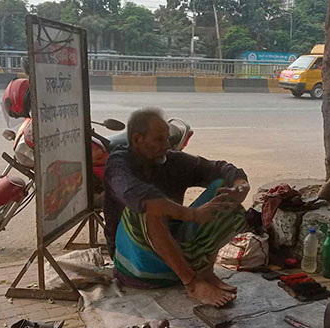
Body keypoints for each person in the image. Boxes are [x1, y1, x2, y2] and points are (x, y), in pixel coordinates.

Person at [103, 108, 249, 307]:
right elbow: (138, 196)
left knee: (224, 187)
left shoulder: (172, 161)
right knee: (149, 207)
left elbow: (218, 168)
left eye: (167, 138)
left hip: (172, 258)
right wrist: (192, 215)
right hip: (137, 268)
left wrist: (240, 186)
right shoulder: (118, 163)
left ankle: (205, 271)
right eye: (159, 139)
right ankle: (192, 284)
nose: (167, 145)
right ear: (137, 140)